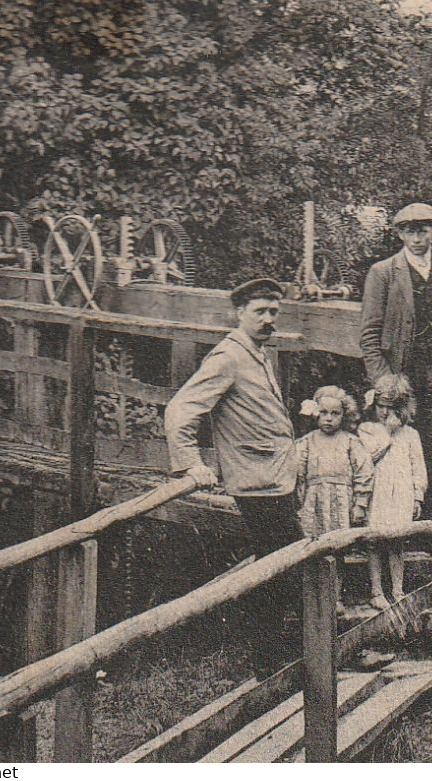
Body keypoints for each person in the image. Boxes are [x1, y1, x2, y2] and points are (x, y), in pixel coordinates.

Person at [164, 277, 301, 680]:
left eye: (273, 312)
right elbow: (180, 410)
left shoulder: (258, 353)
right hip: (255, 481)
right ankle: (269, 661)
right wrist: (191, 464)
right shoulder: (227, 356)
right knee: (278, 565)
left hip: (276, 477)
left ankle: (275, 657)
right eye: (259, 311)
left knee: (278, 564)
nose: (268, 319)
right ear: (238, 314)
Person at [359, 202, 432, 518]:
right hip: (399, 373)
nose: (416, 238)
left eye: (423, 230)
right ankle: (398, 531)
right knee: (397, 452)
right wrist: (383, 382)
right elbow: (369, 334)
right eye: (409, 231)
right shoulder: (384, 272)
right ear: (399, 234)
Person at [358, 373, 428, 611]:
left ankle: (397, 590)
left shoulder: (411, 434)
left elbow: (418, 467)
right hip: (377, 492)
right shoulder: (367, 430)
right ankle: (376, 591)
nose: (385, 413)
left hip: (401, 493)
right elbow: (368, 461)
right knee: (374, 541)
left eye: (391, 408)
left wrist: (418, 495)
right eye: (381, 407)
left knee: (397, 542)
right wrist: (387, 436)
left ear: (401, 408)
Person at [295, 385, 372, 539]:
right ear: (316, 413)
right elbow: (299, 476)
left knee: (340, 542)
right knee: (313, 542)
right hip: (313, 501)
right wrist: (299, 505)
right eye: (324, 413)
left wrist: (360, 505)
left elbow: (364, 472)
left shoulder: (351, 441)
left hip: (343, 501)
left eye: (335, 413)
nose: (329, 418)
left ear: (344, 415)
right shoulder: (307, 442)